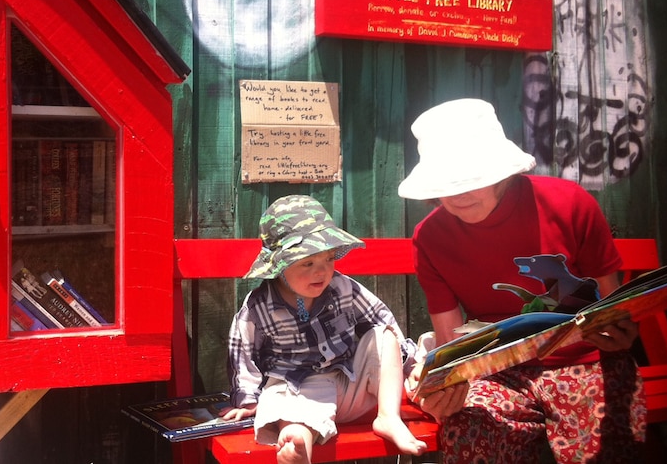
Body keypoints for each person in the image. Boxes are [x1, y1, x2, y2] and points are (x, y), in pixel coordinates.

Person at [398, 98, 645, 463]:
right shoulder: (429, 237)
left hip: (588, 359)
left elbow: (613, 304)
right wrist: (443, 386)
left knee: (607, 439)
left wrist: (621, 332)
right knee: (467, 430)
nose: (460, 194)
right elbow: (451, 341)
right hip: (497, 373)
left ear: (503, 170)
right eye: (448, 182)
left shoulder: (569, 204)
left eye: (473, 178)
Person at [222, 194, 428, 464]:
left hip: (350, 386)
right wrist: (247, 400)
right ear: (280, 265)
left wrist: (412, 367)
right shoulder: (259, 307)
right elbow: (242, 351)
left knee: (383, 334)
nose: (321, 272)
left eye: (329, 259)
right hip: (298, 391)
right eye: (308, 263)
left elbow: (380, 317)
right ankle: (298, 446)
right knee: (286, 407)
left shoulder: (343, 288)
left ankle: (388, 417)